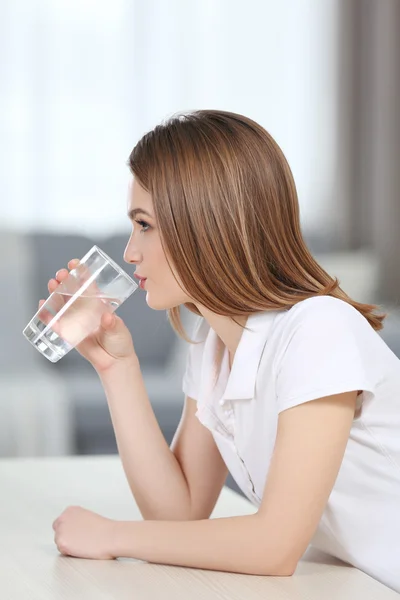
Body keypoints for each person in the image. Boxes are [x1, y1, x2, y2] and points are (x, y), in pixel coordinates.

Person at [49, 110, 400, 592]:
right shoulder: (215, 343)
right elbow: (180, 512)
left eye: (145, 225)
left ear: (206, 224)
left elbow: (275, 547)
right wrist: (116, 368)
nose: (130, 252)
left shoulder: (319, 329)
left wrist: (113, 536)